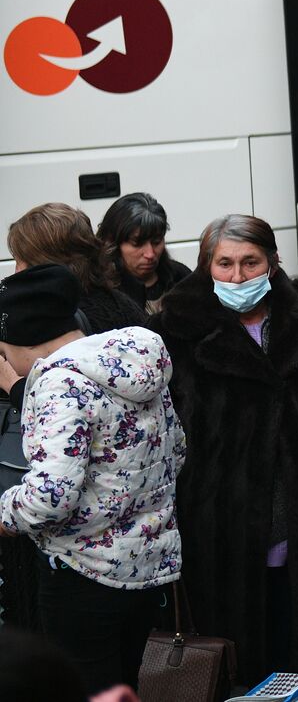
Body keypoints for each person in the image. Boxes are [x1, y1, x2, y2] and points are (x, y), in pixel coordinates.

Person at [153, 214, 298, 683]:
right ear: (206, 267)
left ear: (273, 264)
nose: (237, 276)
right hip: (219, 510)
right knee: (234, 641)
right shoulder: (173, 330)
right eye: (225, 264)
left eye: (250, 263)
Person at [0, 263, 185, 695]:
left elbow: (51, 495)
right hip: (148, 568)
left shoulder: (58, 383)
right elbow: (177, 450)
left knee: (91, 692)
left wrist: (3, 513)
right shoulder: (134, 362)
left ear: (19, 343)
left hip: (83, 575)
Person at [8, 203, 147, 333]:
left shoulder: (48, 324)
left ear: (44, 265)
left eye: (20, 261)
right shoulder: (122, 305)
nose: (17, 271)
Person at [96, 192, 193, 316]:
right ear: (112, 243)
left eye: (156, 242)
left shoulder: (181, 278)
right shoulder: (103, 291)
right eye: (137, 244)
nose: (150, 254)